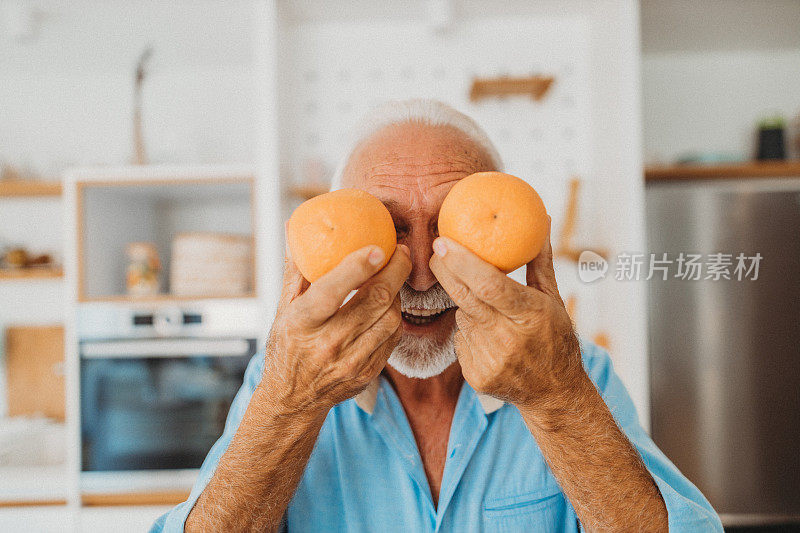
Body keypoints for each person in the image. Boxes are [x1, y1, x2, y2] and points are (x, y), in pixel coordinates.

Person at [152, 99, 721, 532]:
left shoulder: (573, 374)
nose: (422, 274)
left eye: (452, 229)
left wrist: (558, 399)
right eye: (390, 228)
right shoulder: (285, 384)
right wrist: (287, 404)